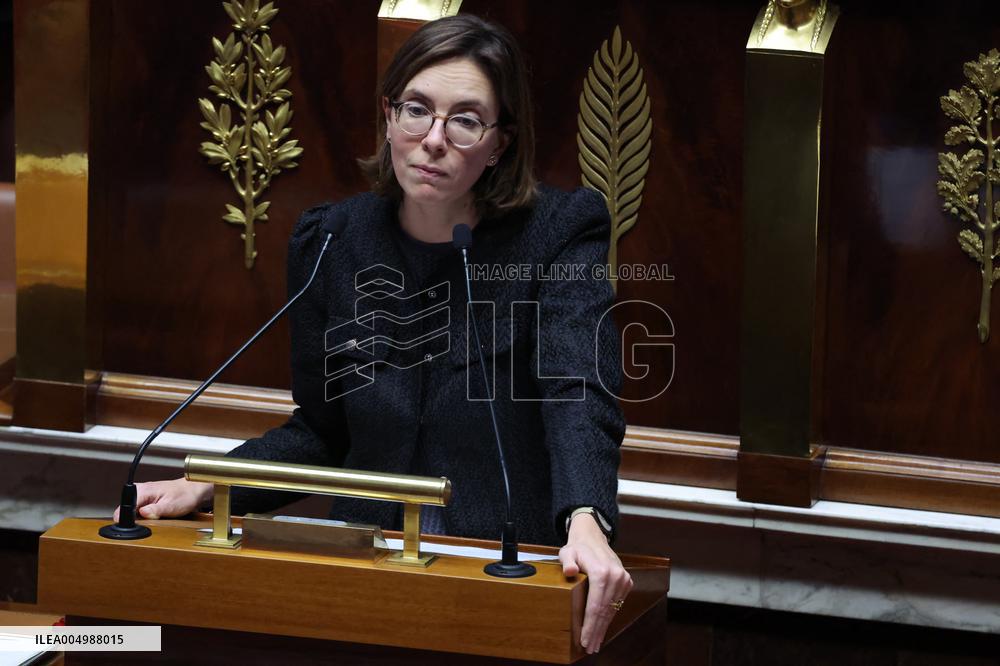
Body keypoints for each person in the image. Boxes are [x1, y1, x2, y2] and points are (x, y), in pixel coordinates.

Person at [115, 14, 630, 654]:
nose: (433, 139)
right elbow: (324, 431)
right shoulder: (333, 239)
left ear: (500, 142)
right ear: (388, 117)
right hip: (363, 578)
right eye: (416, 110)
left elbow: (577, 390)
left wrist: (587, 516)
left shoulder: (557, 234)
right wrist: (212, 483)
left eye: (466, 120)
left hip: (501, 572)